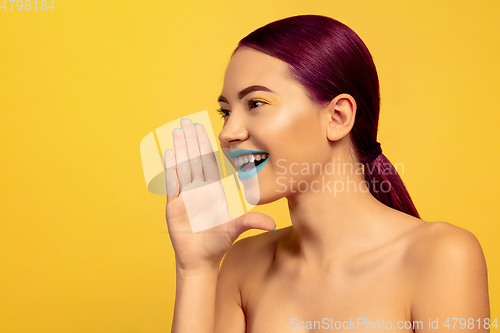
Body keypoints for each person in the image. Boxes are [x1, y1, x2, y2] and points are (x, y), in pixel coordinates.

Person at [163, 15, 489, 332]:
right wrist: (195, 270)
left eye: (256, 104)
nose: (227, 133)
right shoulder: (243, 265)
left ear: (337, 117)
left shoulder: (441, 257)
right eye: (226, 112)